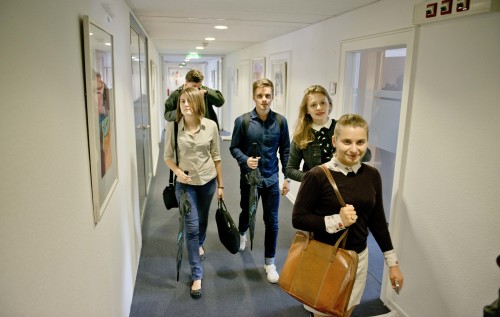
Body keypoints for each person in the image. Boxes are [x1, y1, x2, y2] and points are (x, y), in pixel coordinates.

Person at [291, 114, 403, 317]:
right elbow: (298, 218)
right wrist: (336, 221)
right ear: (335, 141)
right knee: (324, 313)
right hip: (326, 258)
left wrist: (392, 263)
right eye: (347, 142)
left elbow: (377, 221)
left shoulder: (372, 175)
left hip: (358, 259)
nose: (354, 149)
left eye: (360, 142)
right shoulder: (317, 176)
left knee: (346, 311)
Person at [164, 87, 224, 299]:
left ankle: (199, 244)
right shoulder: (173, 127)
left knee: (202, 222)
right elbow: (168, 156)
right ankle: (197, 274)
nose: (185, 105)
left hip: (207, 182)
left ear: (198, 103)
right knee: (190, 226)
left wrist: (221, 185)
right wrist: (178, 172)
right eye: (182, 102)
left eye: (189, 101)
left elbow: (216, 157)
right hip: (185, 185)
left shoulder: (211, 126)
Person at [229, 78, 290, 284]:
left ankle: (269, 262)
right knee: (246, 212)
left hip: (272, 179)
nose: (264, 100)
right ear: (254, 97)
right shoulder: (243, 121)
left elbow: (286, 151)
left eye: (268, 96)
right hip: (249, 179)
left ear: (272, 97)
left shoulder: (281, 121)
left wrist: (287, 177)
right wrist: (245, 159)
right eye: (260, 96)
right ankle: (243, 233)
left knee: (272, 222)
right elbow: (233, 147)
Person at [286, 85, 370, 182]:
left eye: (323, 103)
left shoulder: (343, 128)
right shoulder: (301, 135)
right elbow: (290, 169)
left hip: (343, 186)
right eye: (313, 105)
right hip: (314, 190)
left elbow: (367, 156)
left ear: (329, 105)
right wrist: (313, 178)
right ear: (307, 110)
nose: (319, 108)